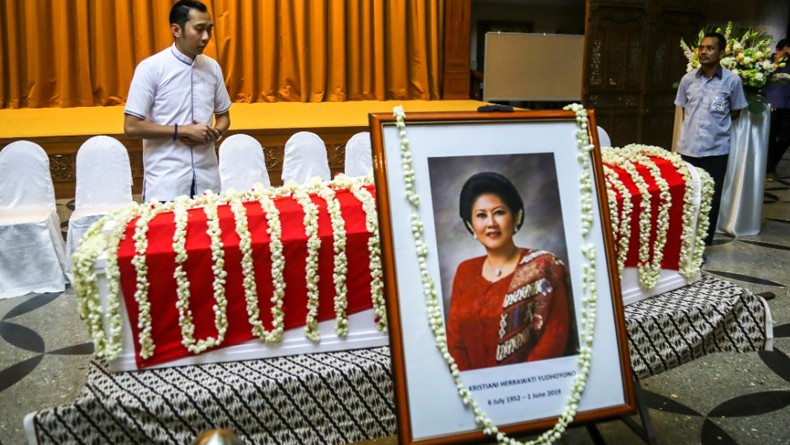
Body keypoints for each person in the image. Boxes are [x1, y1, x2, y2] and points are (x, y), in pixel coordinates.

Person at [446, 172, 577, 372]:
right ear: (471, 225)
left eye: (499, 212)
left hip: (534, 387)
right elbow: (455, 343)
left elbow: (555, 338)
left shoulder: (545, 266)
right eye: (481, 215)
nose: (491, 223)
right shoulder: (465, 271)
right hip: (473, 392)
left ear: (515, 216)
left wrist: (516, 387)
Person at [124, 0, 231, 202]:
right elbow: (131, 127)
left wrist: (214, 133)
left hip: (207, 180)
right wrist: (182, 130)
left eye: (209, 29)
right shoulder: (151, 68)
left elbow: (224, 116)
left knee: (212, 232)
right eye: (199, 29)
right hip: (166, 182)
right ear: (176, 29)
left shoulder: (212, 67)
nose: (206, 37)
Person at [675, 32, 748, 245]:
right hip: (687, 148)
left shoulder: (732, 81)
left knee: (711, 196)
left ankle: (704, 239)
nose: (704, 52)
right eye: (701, 47)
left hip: (716, 149)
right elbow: (682, 108)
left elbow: (736, 111)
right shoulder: (687, 79)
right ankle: (683, 236)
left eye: (710, 48)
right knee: (687, 193)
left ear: (722, 53)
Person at [765, 39, 790, 181]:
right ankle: (769, 169)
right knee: (770, 136)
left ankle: (771, 164)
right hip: (772, 103)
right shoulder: (767, 62)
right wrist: (776, 62)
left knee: (786, 137)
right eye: (784, 50)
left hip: (788, 105)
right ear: (778, 50)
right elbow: (761, 78)